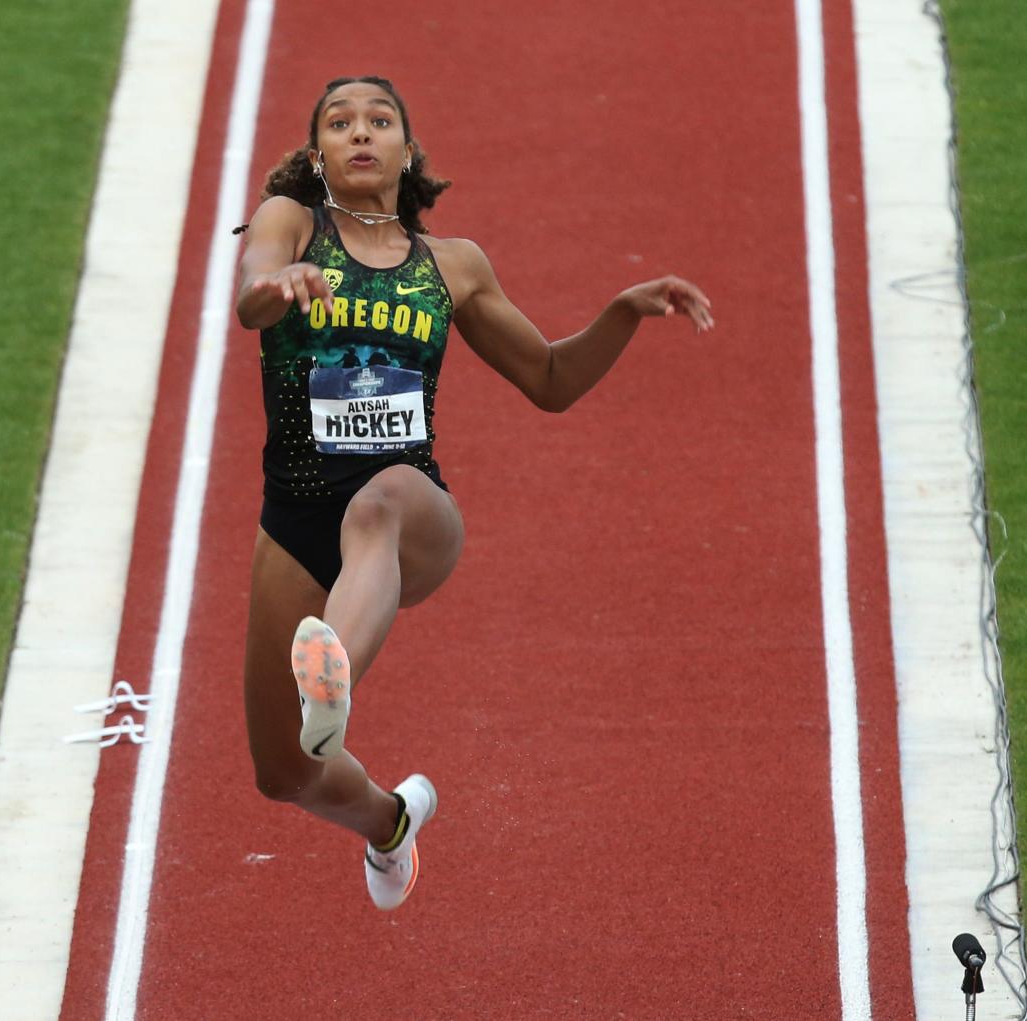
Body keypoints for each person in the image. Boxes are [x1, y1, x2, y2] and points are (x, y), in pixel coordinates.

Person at [234, 75, 713, 912]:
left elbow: (553, 379)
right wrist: (276, 288)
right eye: (339, 123)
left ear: (405, 152)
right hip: (298, 517)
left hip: (411, 512)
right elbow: (252, 286)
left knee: (380, 500)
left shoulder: (451, 266)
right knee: (284, 771)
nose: (360, 133)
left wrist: (622, 312)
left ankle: (332, 671)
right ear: (317, 157)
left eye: (379, 121)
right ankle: (390, 822)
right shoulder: (293, 225)